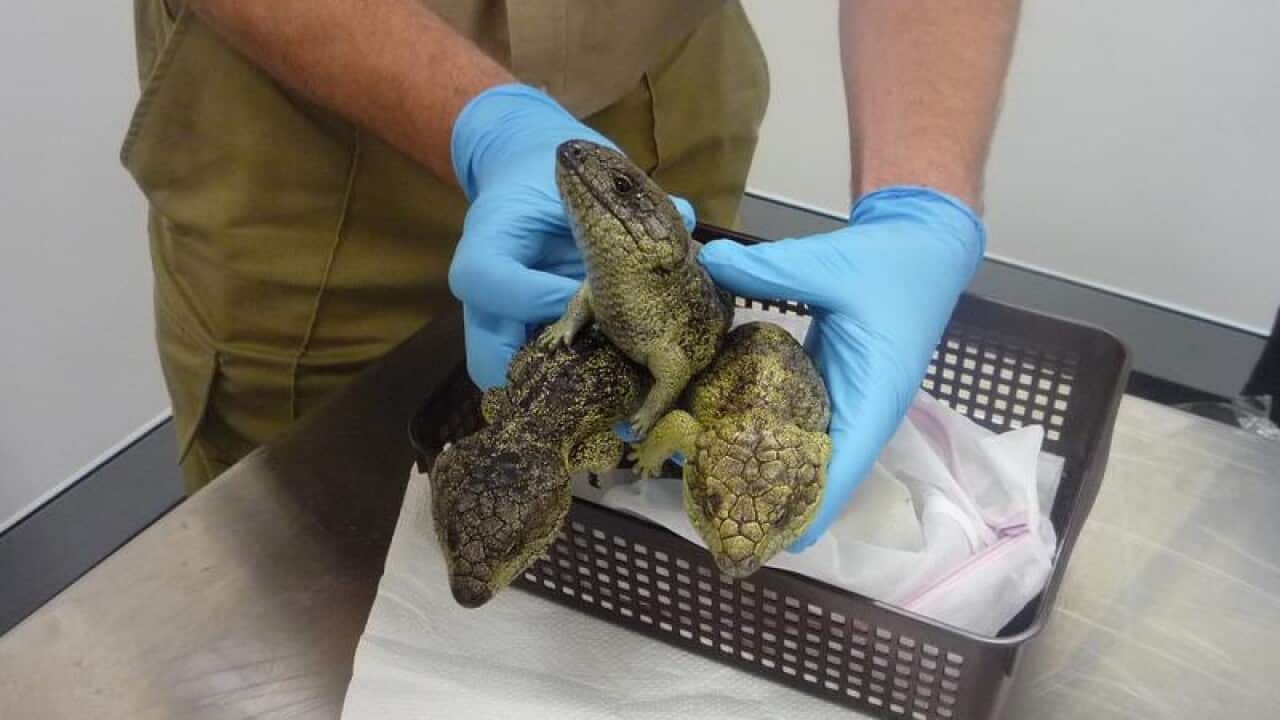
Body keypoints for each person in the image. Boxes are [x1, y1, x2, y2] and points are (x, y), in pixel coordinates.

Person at [123, 0, 1019, 549]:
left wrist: (922, 203)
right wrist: (488, 123)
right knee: (320, 534)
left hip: (660, 95)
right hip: (316, 129)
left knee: (634, 514)